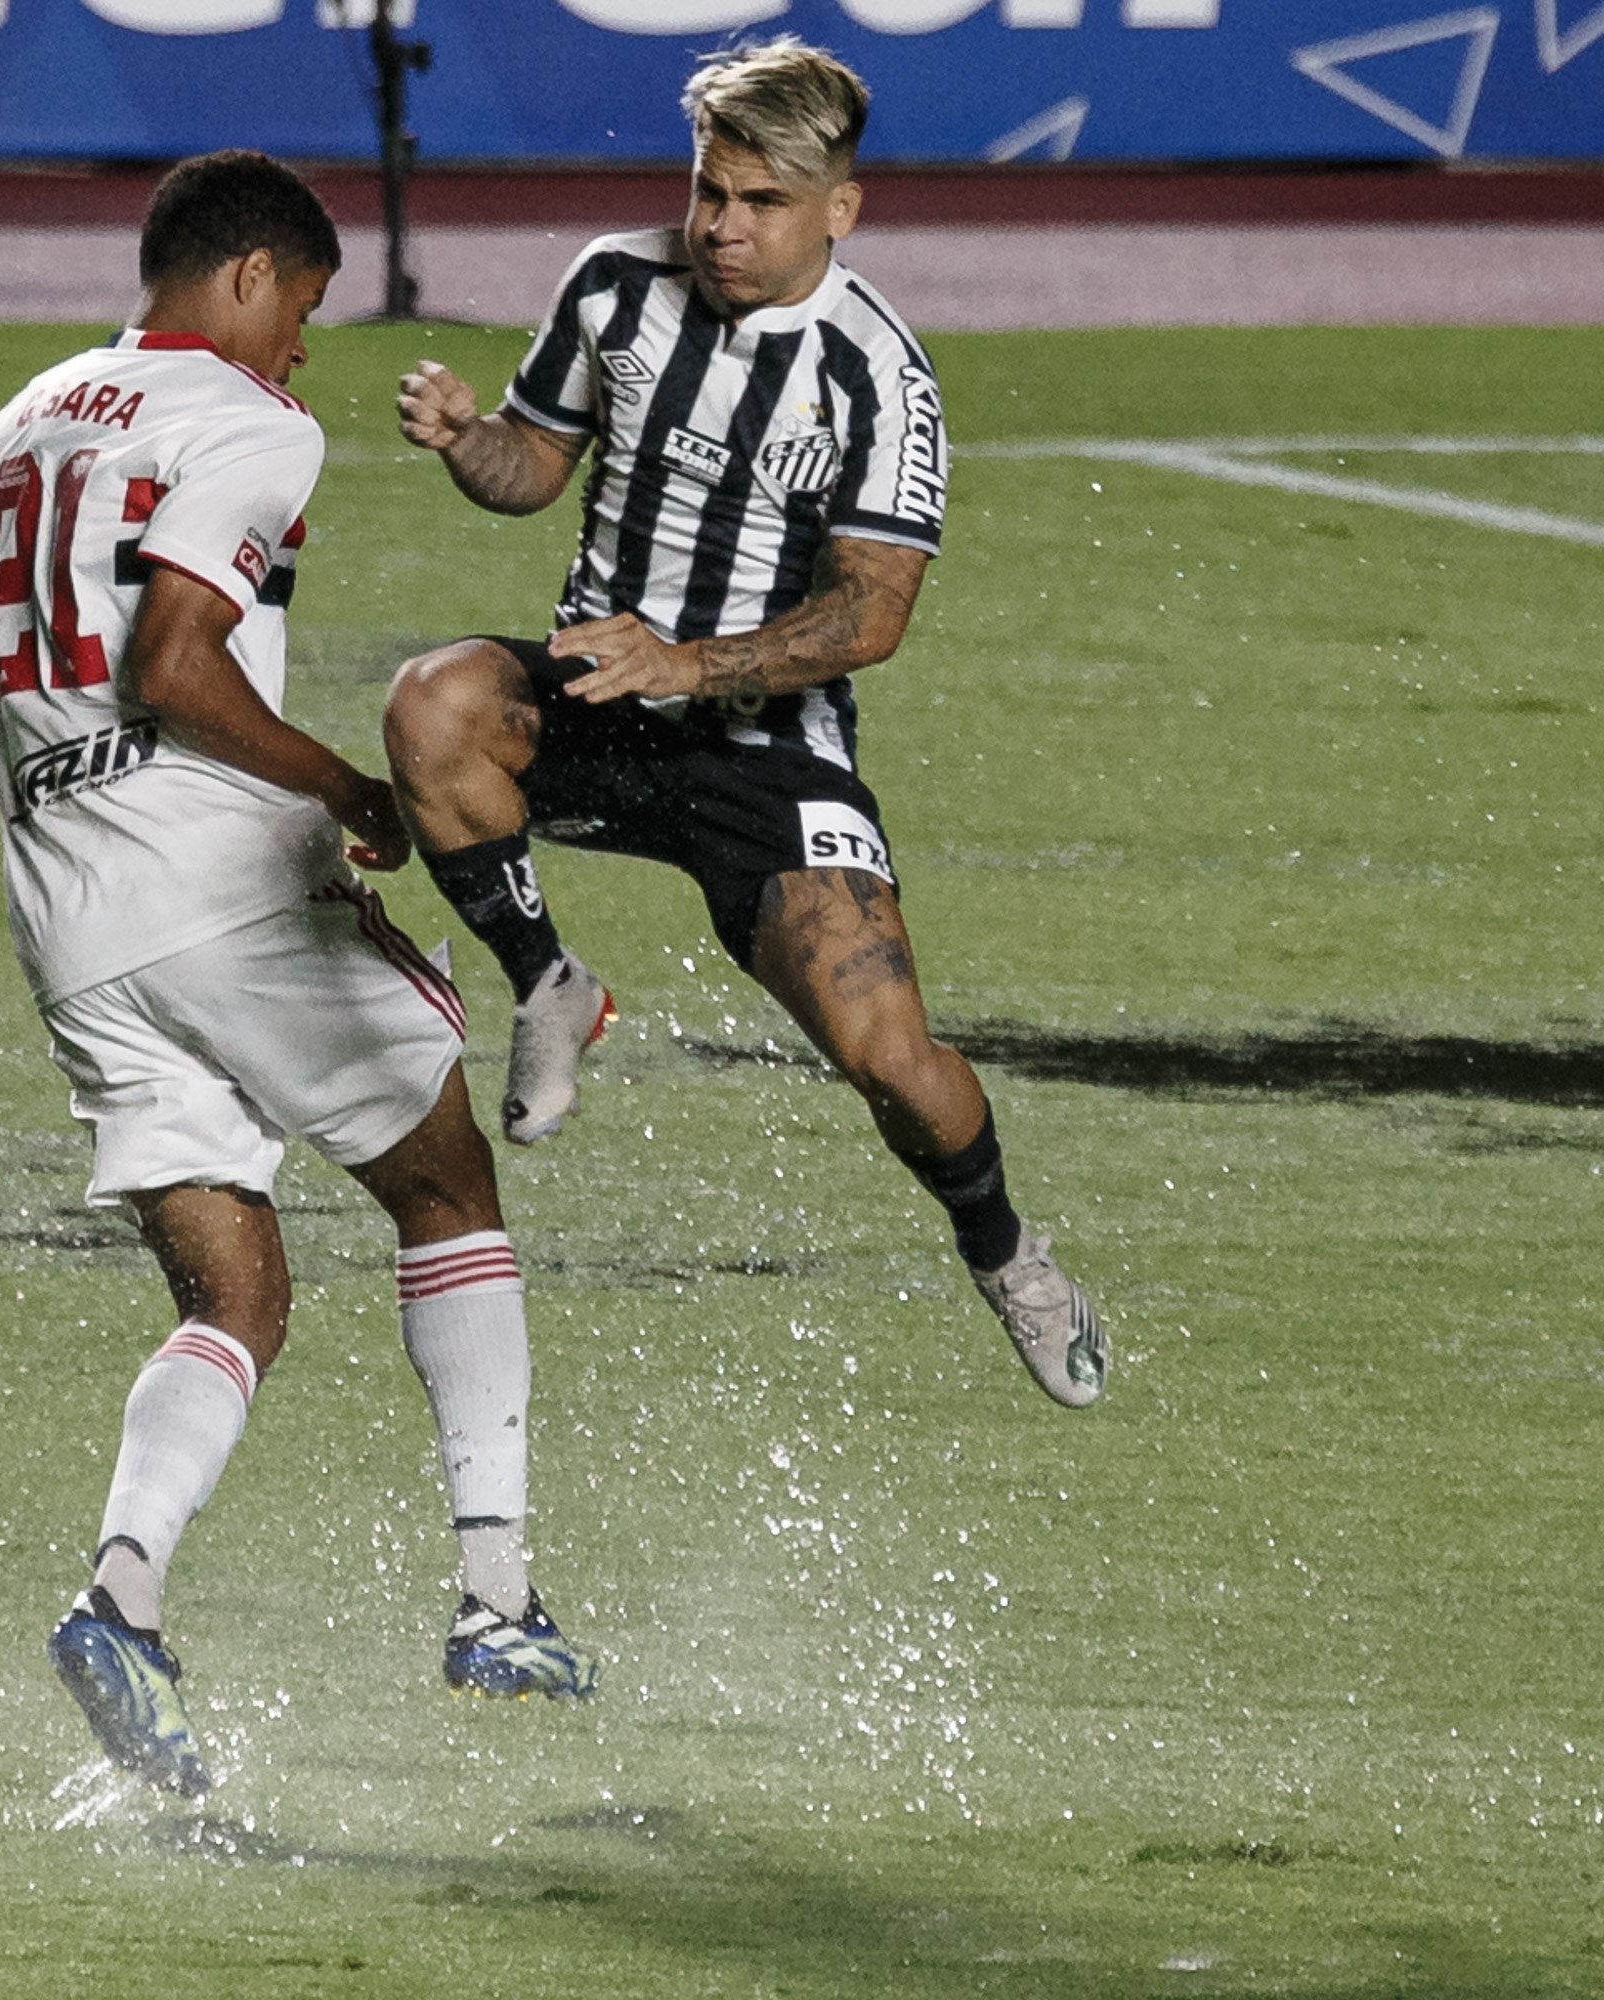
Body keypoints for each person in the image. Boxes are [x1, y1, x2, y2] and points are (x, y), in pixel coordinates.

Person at [0, 152, 596, 1798]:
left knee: (239, 1299)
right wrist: (340, 789)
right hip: (216, 886)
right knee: (447, 1181)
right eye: (302, 306)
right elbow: (176, 662)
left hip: (66, 918)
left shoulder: (26, 418)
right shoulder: (248, 423)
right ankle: (497, 1597)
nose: (303, 351)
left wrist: (77, 765)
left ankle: (121, 1601)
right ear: (242, 277)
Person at [378, 40, 1104, 1409]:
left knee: (893, 1062)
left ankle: (1008, 1253)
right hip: (598, 691)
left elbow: (869, 615)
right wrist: (467, 438)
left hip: (767, 750)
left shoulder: (878, 378)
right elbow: (534, 468)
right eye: (709, 190)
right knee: (432, 704)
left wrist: (690, 662)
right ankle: (547, 982)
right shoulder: (613, 284)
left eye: (761, 201)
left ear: (842, 206)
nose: (721, 226)